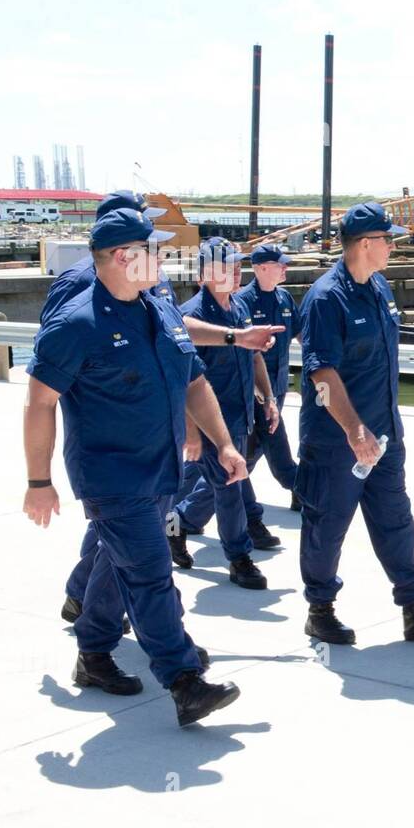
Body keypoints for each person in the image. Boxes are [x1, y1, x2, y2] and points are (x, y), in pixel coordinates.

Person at [23, 208, 243, 726]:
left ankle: (94, 652)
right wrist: (39, 481)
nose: (165, 258)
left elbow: (193, 382)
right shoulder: (77, 324)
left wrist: (225, 445)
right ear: (125, 257)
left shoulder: (160, 312)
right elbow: (39, 403)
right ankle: (183, 678)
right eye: (155, 250)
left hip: (163, 468)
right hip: (112, 477)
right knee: (149, 574)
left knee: (113, 563)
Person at [54, 199, 283, 631]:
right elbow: (60, 366)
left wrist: (236, 338)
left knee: (131, 539)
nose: (156, 247)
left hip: (155, 436)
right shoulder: (80, 283)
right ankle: (136, 638)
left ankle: (90, 606)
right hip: (114, 444)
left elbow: (175, 334)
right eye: (146, 235)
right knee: (135, 544)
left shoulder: (149, 285)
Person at [296, 202, 414, 645]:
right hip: (337, 441)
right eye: (387, 240)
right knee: (327, 525)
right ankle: (321, 610)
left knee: (396, 520)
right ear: (366, 244)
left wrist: (378, 431)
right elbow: (321, 375)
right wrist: (354, 431)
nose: (392, 246)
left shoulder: (380, 288)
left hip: (385, 435)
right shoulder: (325, 299)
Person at [167, 239, 279, 588]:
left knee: (213, 482)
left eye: (235, 264)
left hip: (241, 415)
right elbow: (184, 376)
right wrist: (193, 430)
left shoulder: (239, 307)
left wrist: (269, 397)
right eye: (224, 265)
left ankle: (178, 523)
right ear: (203, 274)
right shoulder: (191, 314)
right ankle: (239, 557)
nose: (234, 271)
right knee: (229, 488)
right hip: (211, 423)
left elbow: (254, 353)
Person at [236, 244, 301, 518]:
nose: (285, 268)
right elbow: (240, 352)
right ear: (261, 268)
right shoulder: (242, 302)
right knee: (271, 441)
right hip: (254, 391)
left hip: (279, 385)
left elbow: (301, 334)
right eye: (280, 264)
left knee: (258, 445)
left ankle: (228, 490)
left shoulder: (285, 299)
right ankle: (302, 489)